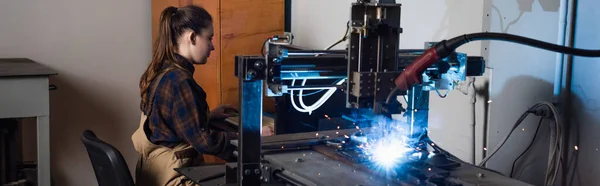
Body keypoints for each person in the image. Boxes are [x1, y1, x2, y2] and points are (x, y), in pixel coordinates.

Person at [131, 5, 270, 186]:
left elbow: (168, 123)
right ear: (192, 37)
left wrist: (208, 116)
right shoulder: (180, 81)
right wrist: (253, 136)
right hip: (174, 178)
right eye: (209, 38)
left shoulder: (163, 70)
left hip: (153, 173)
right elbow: (206, 143)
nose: (212, 46)